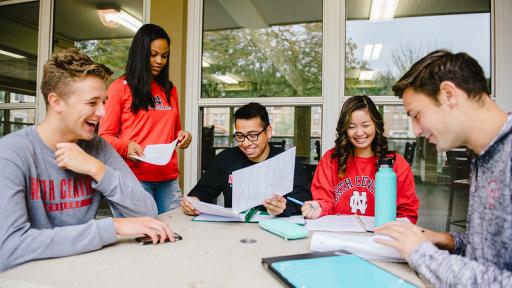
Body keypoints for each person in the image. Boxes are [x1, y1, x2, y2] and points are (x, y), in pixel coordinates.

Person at [0, 48, 175, 272]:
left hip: (86, 270)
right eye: (93, 103)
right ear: (56, 102)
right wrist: (112, 227)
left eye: (104, 102)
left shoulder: (97, 147)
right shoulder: (11, 153)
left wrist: (97, 169)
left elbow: (148, 211)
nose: (102, 112)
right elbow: (8, 248)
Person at [374, 49, 512, 287]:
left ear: (448, 94)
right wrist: (449, 241)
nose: (415, 131)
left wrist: (421, 254)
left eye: (416, 115)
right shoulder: (484, 157)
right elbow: (497, 253)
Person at [99, 24, 191, 215]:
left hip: (168, 178)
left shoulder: (170, 90)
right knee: (143, 237)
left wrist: (182, 136)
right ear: (141, 53)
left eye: (164, 56)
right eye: (153, 54)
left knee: (178, 234)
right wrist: (127, 146)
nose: (160, 61)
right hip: (134, 178)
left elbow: (175, 131)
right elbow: (105, 136)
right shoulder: (120, 88)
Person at [301, 96, 419, 223]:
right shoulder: (330, 160)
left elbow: (407, 213)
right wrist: (319, 207)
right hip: (338, 236)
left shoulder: (396, 164)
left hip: (381, 238)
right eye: (351, 126)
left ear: (376, 125)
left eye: (365, 125)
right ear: (344, 129)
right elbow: (323, 202)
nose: (359, 132)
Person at [181, 102, 311, 217]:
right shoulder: (225, 159)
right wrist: (194, 200)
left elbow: (303, 198)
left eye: (253, 135)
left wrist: (285, 206)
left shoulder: (286, 161)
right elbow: (205, 189)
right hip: (234, 229)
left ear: (269, 132)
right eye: (240, 136)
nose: (246, 143)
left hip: (275, 227)